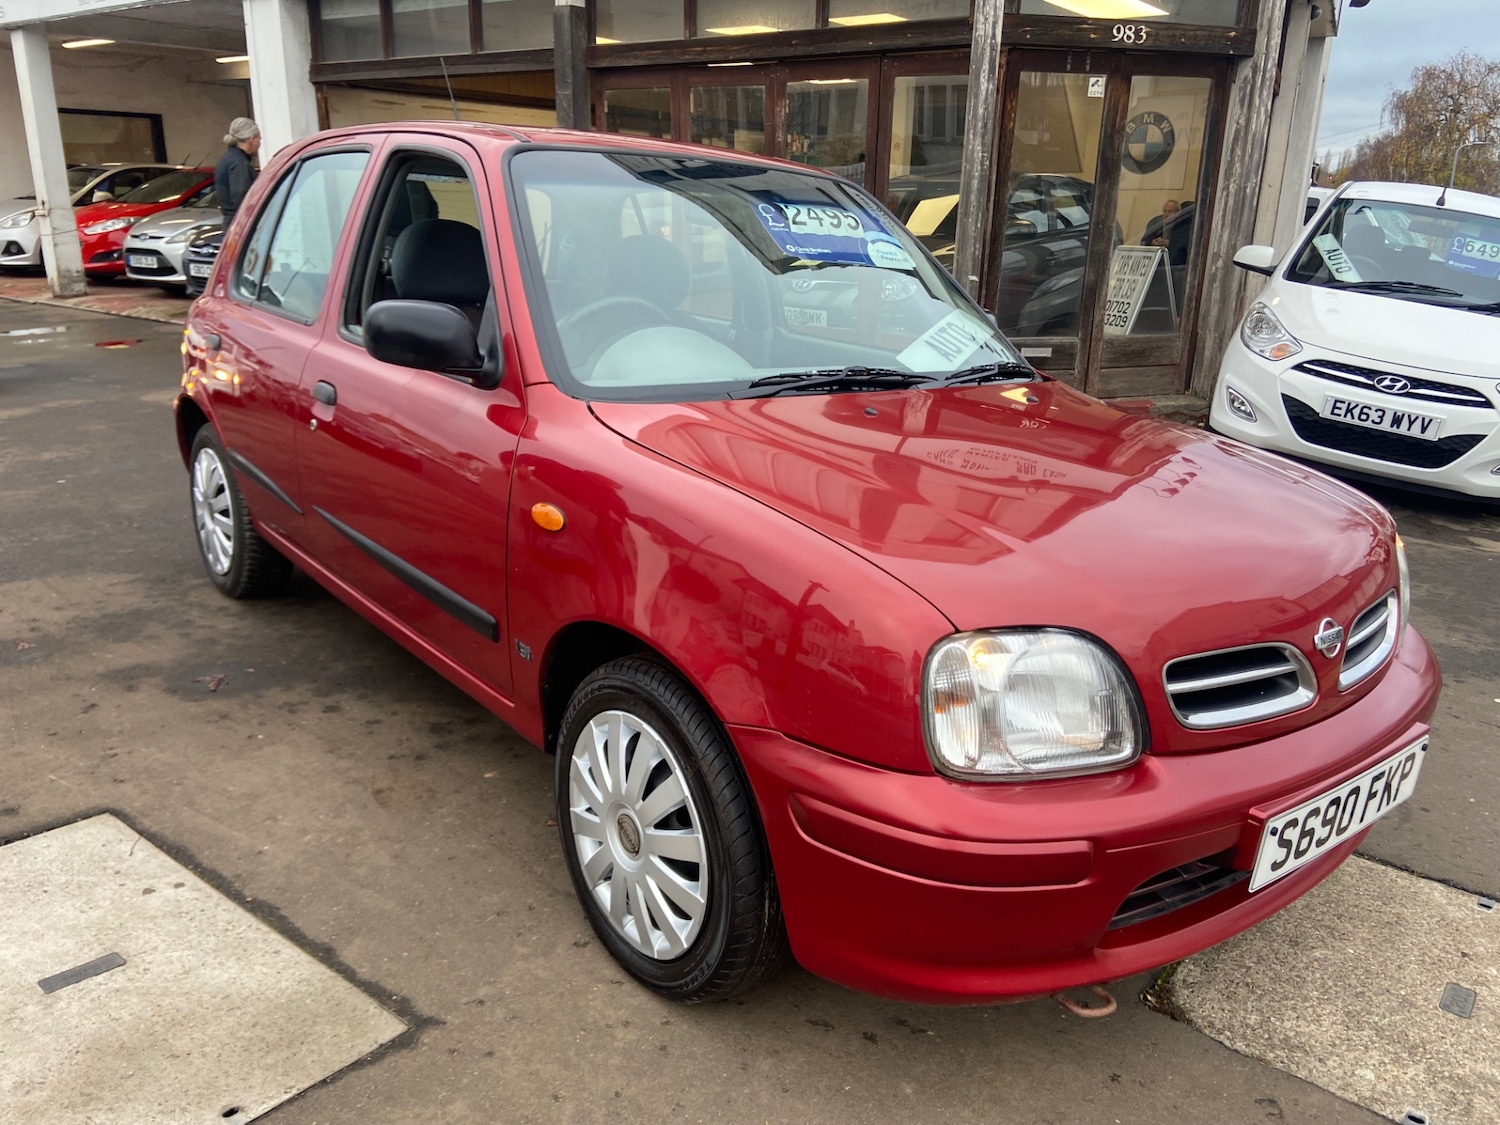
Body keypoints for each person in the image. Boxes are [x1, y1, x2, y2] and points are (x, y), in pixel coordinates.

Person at [215, 117, 261, 224]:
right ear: (251, 139)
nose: (260, 143)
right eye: (259, 138)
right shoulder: (240, 163)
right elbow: (242, 197)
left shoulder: (226, 159)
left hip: (231, 222)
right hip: (241, 223)